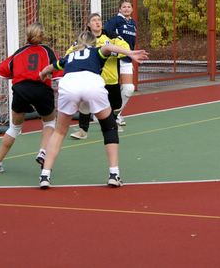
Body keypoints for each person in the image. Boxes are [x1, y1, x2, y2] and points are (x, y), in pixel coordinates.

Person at [37, 31, 148, 189]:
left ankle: (45, 175)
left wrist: (42, 74)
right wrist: (129, 53)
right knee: (109, 127)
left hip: (69, 85)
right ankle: (114, 174)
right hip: (91, 83)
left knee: (59, 132)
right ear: (94, 42)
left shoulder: (70, 56)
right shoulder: (96, 51)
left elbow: (51, 67)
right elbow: (108, 47)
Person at [0, 23, 58, 174]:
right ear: (43, 36)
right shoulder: (47, 51)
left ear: (27, 35)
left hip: (21, 90)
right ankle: (43, 152)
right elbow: (58, 70)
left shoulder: (19, 52)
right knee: (49, 122)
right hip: (41, 89)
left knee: (14, 128)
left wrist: (20, 73)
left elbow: (2, 71)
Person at [69, 13, 130, 140]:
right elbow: (69, 52)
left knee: (117, 104)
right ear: (88, 24)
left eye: (99, 20)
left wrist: (111, 52)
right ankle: (82, 131)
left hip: (110, 78)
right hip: (92, 78)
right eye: (94, 20)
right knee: (85, 103)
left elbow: (126, 48)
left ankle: (114, 121)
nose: (97, 22)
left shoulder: (111, 35)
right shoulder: (85, 38)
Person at [104, 0, 137, 125]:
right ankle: (103, 114)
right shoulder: (115, 21)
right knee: (111, 89)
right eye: (124, 7)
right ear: (119, 9)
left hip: (127, 59)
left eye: (129, 7)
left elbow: (131, 44)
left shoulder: (133, 23)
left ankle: (116, 114)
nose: (126, 9)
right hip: (114, 59)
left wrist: (131, 56)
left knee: (129, 88)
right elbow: (105, 36)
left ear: (132, 9)